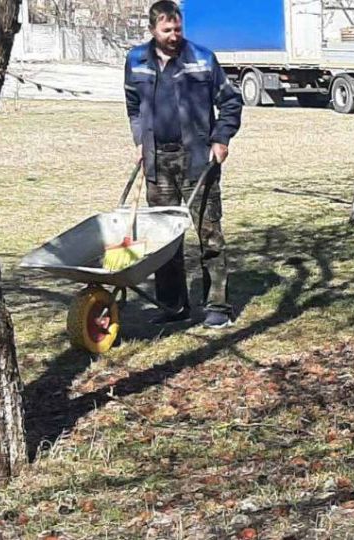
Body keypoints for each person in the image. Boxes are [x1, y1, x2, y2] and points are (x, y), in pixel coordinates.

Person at [124, 0, 243, 329]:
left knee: (209, 236)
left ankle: (217, 305)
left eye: (178, 29)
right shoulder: (135, 60)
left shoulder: (202, 59)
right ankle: (173, 305)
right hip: (157, 162)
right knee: (164, 239)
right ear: (152, 30)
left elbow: (231, 100)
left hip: (196, 159)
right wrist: (139, 140)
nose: (174, 35)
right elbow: (133, 104)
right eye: (167, 30)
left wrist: (221, 139)